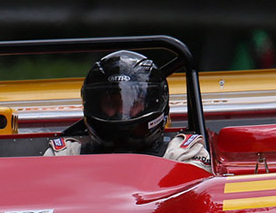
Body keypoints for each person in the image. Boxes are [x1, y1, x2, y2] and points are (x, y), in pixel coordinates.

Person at [44, 50, 211, 170]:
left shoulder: (182, 155)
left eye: (133, 103)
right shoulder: (65, 156)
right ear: (94, 106)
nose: (122, 112)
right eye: (111, 104)